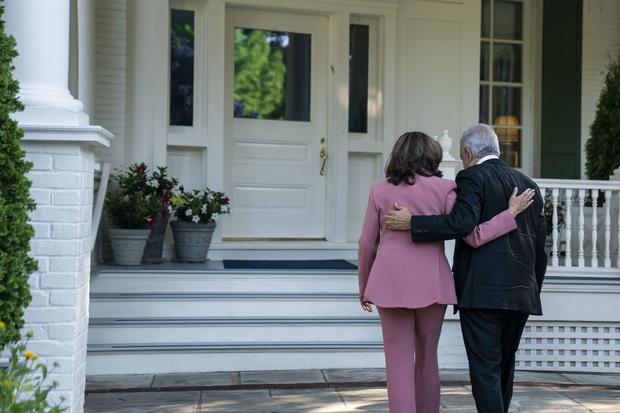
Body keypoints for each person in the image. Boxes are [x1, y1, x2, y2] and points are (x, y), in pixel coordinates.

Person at [358, 131, 535, 413]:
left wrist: (364, 286)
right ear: (432, 157)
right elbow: (473, 235)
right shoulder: (445, 188)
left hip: (388, 284)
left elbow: (367, 243)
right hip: (433, 286)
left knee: (398, 363)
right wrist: (509, 214)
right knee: (428, 358)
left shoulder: (379, 189)